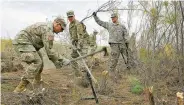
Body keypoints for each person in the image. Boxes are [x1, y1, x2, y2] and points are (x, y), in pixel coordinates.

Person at [13, 17, 70, 93]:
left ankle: (37, 83)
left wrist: (57, 62)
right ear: (57, 24)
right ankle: (20, 88)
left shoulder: (48, 29)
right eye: (62, 29)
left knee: (41, 63)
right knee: (37, 62)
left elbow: (49, 52)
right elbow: (49, 51)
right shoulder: (48, 30)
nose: (61, 31)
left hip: (29, 44)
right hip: (22, 42)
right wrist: (62, 59)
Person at [93, 12, 130, 81]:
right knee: (114, 60)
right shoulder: (109, 25)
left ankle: (130, 71)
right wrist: (95, 17)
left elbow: (126, 34)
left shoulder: (122, 26)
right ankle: (111, 73)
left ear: (117, 17)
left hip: (122, 44)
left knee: (127, 57)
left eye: (114, 17)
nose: (113, 19)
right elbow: (100, 22)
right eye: (112, 18)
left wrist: (127, 42)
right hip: (114, 45)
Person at [66, 10, 90, 87]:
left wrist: (79, 46)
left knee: (82, 62)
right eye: (69, 17)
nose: (70, 18)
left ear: (74, 16)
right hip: (76, 44)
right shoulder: (70, 25)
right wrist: (73, 44)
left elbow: (81, 36)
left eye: (71, 17)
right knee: (72, 59)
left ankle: (86, 81)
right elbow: (73, 37)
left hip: (83, 44)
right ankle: (78, 76)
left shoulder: (78, 24)